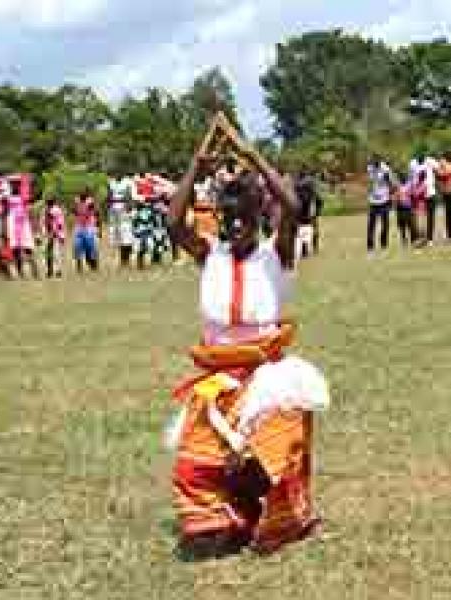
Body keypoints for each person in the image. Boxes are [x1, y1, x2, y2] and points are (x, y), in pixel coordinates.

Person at [165, 116, 328, 557]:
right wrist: (198, 166)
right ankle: (231, 515)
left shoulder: (277, 253)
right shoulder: (209, 254)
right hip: (217, 378)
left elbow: (292, 208)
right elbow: (173, 222)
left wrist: (254, 158)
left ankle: (282, 515)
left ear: (259, 218)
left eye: (243, 218)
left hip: (267, 375)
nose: (234, 226)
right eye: (227, 218)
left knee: (273, 457)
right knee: (197, 462)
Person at [6, 183, 39, 279]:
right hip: (18, 225)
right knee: (22, 250)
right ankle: (29, 272)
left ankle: (29, 272)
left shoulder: (17, 199)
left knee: (23, 250)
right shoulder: (15, 199)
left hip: (20, 225)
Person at [409, 153, 440, 245]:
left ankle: (430, 238)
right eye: (419, 155)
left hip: (430, 193)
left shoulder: (430, 161)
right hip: (417, 194)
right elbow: (411, 177)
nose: (421, 157)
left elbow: (438, 170)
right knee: (418, 216)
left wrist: (434, 181)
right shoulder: (412, 163)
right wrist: (412, 190)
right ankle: (418, 237)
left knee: (430, 216)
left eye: (423, 155)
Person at [294, 170, 322, 259]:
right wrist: (318, 211)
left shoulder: (297, 185)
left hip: (300, 211)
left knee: (302, 229)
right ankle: (314, 247)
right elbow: (319, 200)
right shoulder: (310, 185)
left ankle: (305, 250)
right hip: (308, 211)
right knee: (313, 228)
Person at [367, 156, 393, 253]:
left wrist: (390, 197)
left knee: (385, 223)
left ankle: (384, 244)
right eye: (373, 162)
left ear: (380, 162)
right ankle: (370, 245)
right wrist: (369, 192)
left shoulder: (385, 169)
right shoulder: (370, 168)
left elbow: (390, 183)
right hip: (373, 200)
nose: (374, 164)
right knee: (371, 224)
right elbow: (370, 182)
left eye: (376, 163)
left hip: (384, 199)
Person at [73, 188, 100, 273]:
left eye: (84, 194)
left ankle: (93, 263)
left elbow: (96, 213)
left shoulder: (90, 202)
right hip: (80, 226)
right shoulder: (77, 201)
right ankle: (79, 265)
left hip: (89, 226)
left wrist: (99, 228)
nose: (82, 196)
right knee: (77, 246)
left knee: (90, 246)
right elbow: (74, 211)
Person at [43, 198, 67, 278]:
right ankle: (50, 271)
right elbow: (44, 223)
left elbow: (60, 224)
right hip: (49, 234)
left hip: (56, 235)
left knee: (55, 253)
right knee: (48, 253)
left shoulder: (56, 210)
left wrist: (56, 234)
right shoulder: (45, 211)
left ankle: (57, 271)